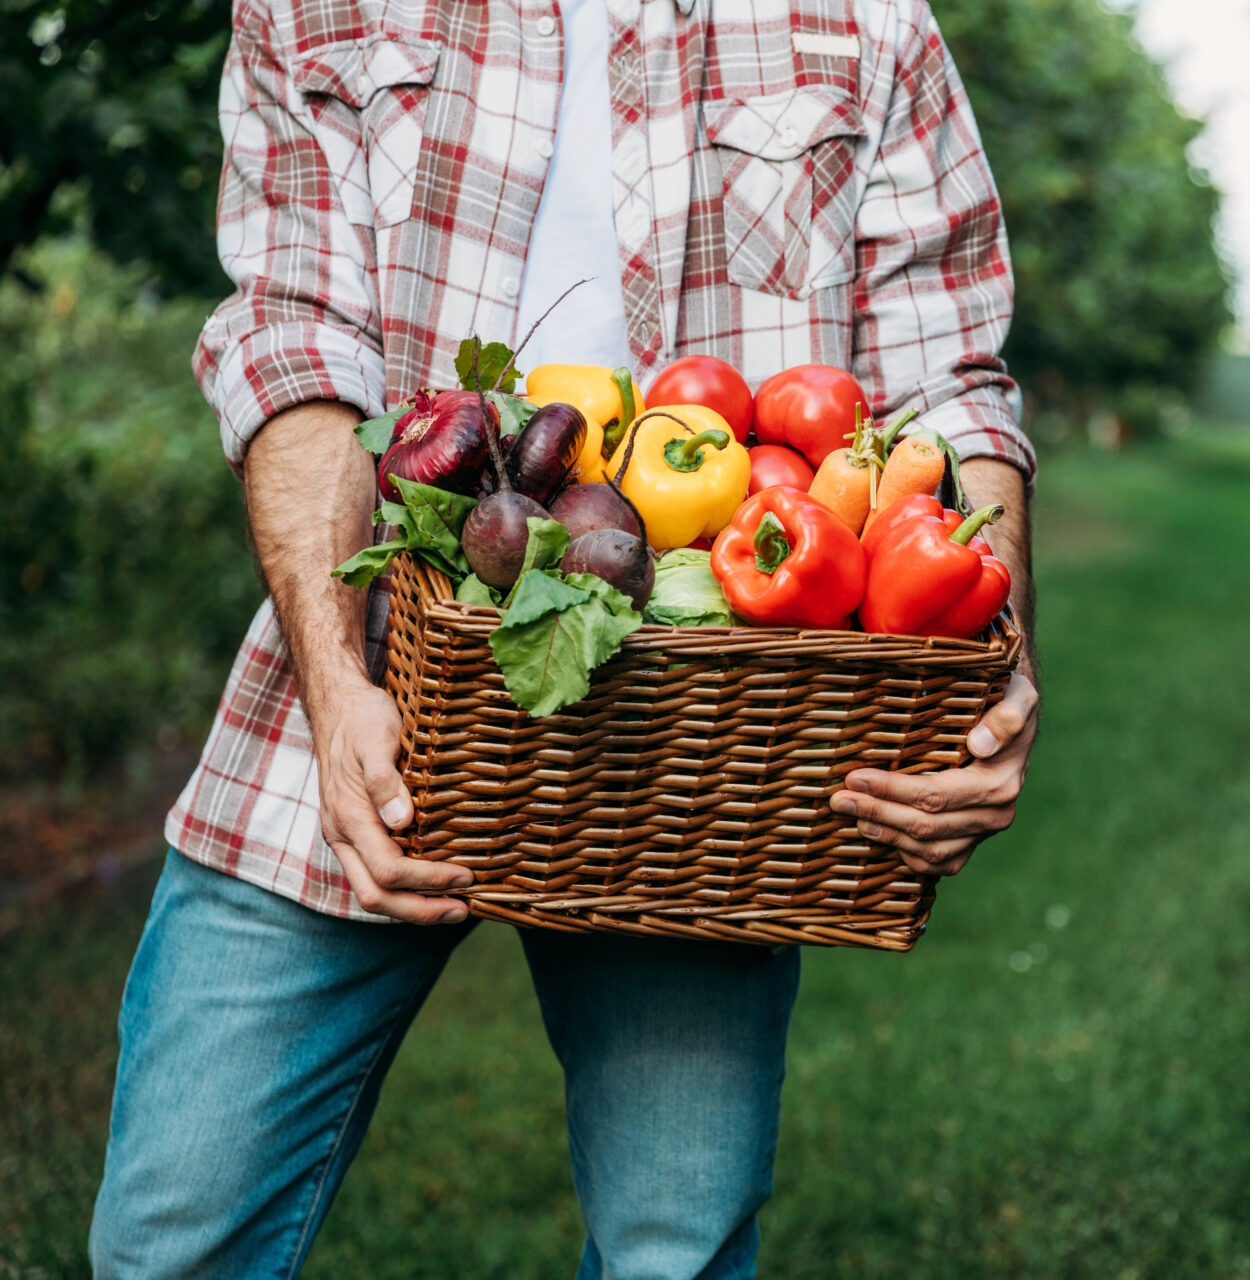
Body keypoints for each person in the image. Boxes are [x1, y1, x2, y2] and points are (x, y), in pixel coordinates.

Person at [88, 1, 1039, 1275]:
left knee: (673, 1249)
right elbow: (292, 341)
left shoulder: (868, 22)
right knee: (173, 1237)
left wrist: (993, 662)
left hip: (702, 743)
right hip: (366, 696)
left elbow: (948, 386)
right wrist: (333, 679)